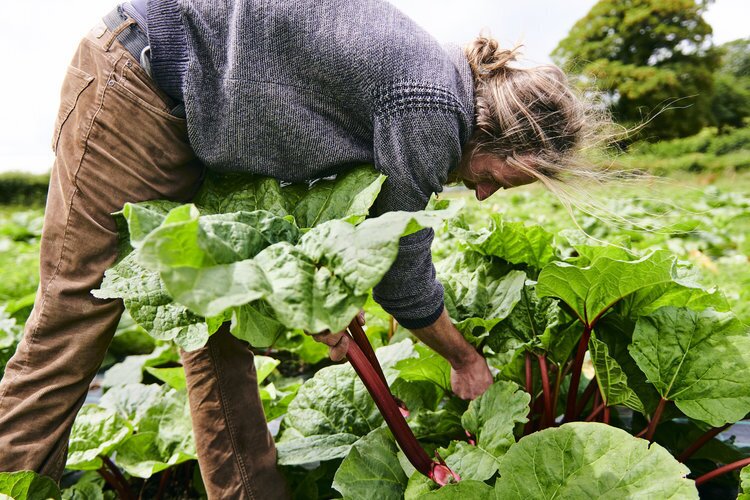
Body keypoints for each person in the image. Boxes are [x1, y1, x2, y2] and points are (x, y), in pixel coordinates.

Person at [0, 0, 601, 498]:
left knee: (219, 330)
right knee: (75, 313)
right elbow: (401, 264)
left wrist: (314, 296)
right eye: (499, 176)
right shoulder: (434, 107)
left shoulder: (433, 85)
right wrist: (464, 359)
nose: (487, 193)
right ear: (497, 132)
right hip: (140, 81)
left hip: (199, 118)